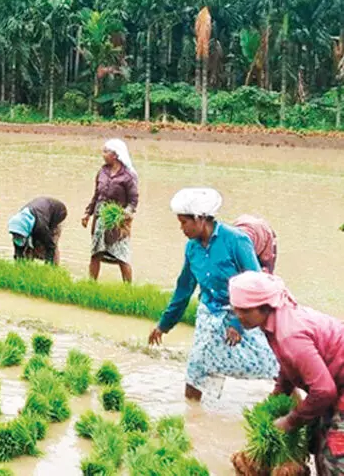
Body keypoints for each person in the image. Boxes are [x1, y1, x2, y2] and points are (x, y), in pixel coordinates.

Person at [147, 188, 278, 401]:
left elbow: (256, 284)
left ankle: (292, 404)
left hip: (243, 312)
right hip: (209, 313)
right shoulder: (192, 249)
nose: (181, 228)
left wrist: (237, 323)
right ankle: (193, 416)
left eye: (184, 222)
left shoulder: (236, 241)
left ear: (200, 219)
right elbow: (183, 289)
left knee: (271, 365)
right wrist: (163, 325)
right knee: (196, 370)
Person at [229, 271, 344, 475]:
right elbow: (289, 362)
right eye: (235, 309)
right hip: (335, 380)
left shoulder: (289, 333)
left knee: (334, 455)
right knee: (316, 439)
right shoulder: (275, 320)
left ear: (263, 306)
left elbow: (325, 391)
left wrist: (290, 420)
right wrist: (280, 391)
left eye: (244, 310)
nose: (238, 315)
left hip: (338, 386)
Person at [82, 138, 139, 283]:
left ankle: (128, 290)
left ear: (116, 155)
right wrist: (87, 213)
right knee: (95, 253)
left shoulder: (128, 176)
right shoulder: (102, 171)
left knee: (122, 256)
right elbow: (96, 194)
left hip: (118, 220)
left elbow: (133, 201)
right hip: (100, 217)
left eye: (106, 151)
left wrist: (126, 213)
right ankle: (91, 284)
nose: (103, 154)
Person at [7, 196, 67, 265]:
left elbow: (50, 246)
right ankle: (27, 266)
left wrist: (49, 265)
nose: (16, 236)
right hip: (39, 213)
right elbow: (18, 248)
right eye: (14, 234)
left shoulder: (41, 228)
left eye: (18, 235)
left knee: (45, 244)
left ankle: (54, 268)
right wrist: (18, 262)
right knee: (28, 247)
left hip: (58, 212)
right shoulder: (18, 223)